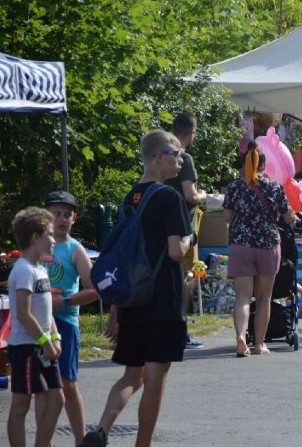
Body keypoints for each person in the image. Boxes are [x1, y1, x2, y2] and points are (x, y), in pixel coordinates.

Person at [80, 130, 193, 447]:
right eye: (175, 153)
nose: (180, 159)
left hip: (131, 301)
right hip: (162, 302)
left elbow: (122, 258)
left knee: (132, 375)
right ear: (159, 156)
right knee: (155, 378)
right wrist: (190, 238)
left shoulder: (129, 199)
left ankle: (101, 429)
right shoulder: (170, 198)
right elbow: (175, 252)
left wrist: (116, 310)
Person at [223, 141, 297, 356]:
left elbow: (227, 217)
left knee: (243, 297)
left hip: (241, 245)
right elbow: (288, 216)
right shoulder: (274, 187)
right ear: (264, 165)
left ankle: (240, 337)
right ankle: (259, 344)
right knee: (264, 297)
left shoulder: (234, 187)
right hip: (268, 245)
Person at [38, 190, 98, 446]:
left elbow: (94, 289)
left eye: (67, 214)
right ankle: (44, 440)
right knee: (40, 386)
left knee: (67, 383)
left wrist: (65, 301)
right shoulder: (37, 245)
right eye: (56, 214)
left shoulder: (75, 250)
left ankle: (80, 437)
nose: (61, 219)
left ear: (74, 219)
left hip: (66, 323)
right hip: (38, 324)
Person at [7, 207, 64, 447]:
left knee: (57, 399)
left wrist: (56, 337)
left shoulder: (41, 270)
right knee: (21, 405)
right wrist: (44, 341)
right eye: (49, 234)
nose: (53, 240)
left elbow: (46, 311)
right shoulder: (23, 270)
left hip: (44, 346)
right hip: (27, 348)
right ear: (35, 238)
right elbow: (23, 314)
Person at [164, 113, 207, 350]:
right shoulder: (184, 158)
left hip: (160, 226)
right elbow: (190, 194)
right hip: (182, 229)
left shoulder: (158, 155)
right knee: (181, 279)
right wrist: (204, 196)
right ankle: (180, 332)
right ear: (191, 133)